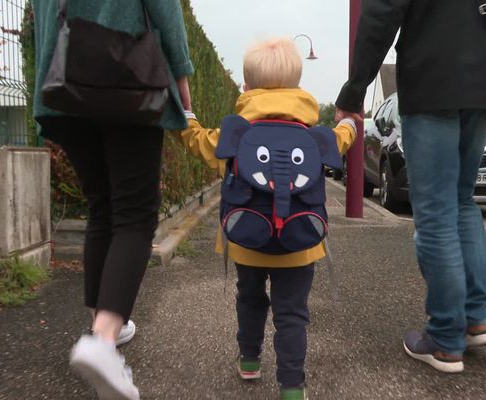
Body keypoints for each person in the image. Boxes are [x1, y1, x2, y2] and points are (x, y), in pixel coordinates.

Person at [336, 0, 486, 373]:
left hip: (429, 84)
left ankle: (445, 338)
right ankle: (478, 316)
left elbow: (382, 13)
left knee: (436, 212)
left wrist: (355, 91)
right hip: (484, 88)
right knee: (461, 202)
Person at [32, 1, 193, 398]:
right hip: (126, 76)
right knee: (135, 214)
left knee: (102, 207)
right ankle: (103, 341)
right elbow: (163, 8)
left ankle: (104, 328)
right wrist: (181, 75)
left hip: (63, 79)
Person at [179, 38, 356, 400]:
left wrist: (187, 116)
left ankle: (249, 360)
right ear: (297, 87)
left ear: (247, 87)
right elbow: (342, 139)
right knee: (292, 313)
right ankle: (292, 387)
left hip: (247, 238)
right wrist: (351, 124)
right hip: (300, 239)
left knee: (250, 297)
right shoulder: (313, 136)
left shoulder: (236, 134)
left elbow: (198, 142)